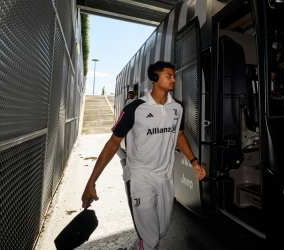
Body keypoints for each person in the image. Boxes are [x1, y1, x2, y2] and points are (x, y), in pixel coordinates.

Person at [81, 61, 206, 250]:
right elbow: (113, 143)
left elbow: (179, 136)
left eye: (174, 76)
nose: (174, 79)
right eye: (169, 76)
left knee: (161, 231)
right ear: (155, 78)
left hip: (165, 177)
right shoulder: (134, 108)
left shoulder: (178, 107)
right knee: (151, 238)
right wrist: (92, 181)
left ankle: (135, 247)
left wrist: (194, 161)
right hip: (140, 177)